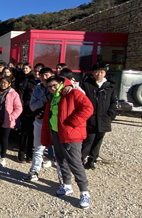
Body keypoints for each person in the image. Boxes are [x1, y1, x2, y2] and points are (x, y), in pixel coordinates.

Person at [41, 75, 94, 209]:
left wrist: (72, 122)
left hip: (71, 134)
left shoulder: (73, 92)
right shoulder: (52, 97)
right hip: (56, 132)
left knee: (75, 162)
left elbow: (88, 108)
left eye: (54, 85)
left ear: (60, 83)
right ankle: (66, 185)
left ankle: (84, 191)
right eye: (49, 86)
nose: (52, 88)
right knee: (61, 160)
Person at [23, 67, 59, 181]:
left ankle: (62, 176)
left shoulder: (61, 87)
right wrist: (45, 99)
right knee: (38, 148)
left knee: (58, 150)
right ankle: (34, 170)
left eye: (47, 75)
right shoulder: (38, 89)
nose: (44, 78)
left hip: (55, 122)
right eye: (42, 75)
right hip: (40, 121)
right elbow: (33, 105)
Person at [81, 63, 117, 170]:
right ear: (92, 72)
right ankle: (80, 159)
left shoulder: (110, 86)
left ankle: (92, 160)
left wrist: (110, 114)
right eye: (97, 72)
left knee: (98, 140)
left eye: (101, 72)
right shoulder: (86, 84)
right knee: (88, 140)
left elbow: (114, 102)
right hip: (90, 118)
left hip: (104, 118)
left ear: (105, 73)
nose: (99, 74)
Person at [0, 76, 23, 167]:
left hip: (7, 120)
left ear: (9, 84)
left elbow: (18, 108)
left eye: (5, 83)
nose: (2, 84)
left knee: (4, 139)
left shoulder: (13, 94)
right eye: (1, 82)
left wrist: (12, 117)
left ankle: (3, 157)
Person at [17, 62, 36, 163]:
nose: (25, 70)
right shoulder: (22, 79)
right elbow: (20, 94)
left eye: (27, 68)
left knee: (32, 133)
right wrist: (21, 107)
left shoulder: (34, 81)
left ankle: (30, 154)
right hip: (25, 109)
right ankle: (21, 153)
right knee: (24, 132)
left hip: (35, 110)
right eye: (23, 68)